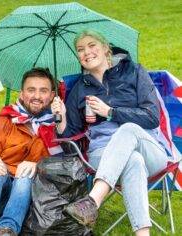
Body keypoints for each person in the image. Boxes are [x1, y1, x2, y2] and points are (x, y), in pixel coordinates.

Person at [51, 30, 170, 236]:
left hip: (148, 145)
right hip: (103, 155)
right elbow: (69, 140)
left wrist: (110, 112)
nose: (86, 52)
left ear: (106, 48)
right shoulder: (80, 88)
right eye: (80, 49)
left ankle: (93, 200)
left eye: (91, 45)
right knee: (133, 161)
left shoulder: (134, 71)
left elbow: (152, 116)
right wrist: (61, 117)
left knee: (128, 129)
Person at [0, 68, 62, 236]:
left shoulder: (59, 126)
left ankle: (7, 230)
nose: (37, 96)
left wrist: (39, 166)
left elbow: (65, 170)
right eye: (31, 90)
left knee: (24, 177)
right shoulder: (3, 122)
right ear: (22, 94)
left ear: (53, 95)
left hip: (34, 201)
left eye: (43, 91)